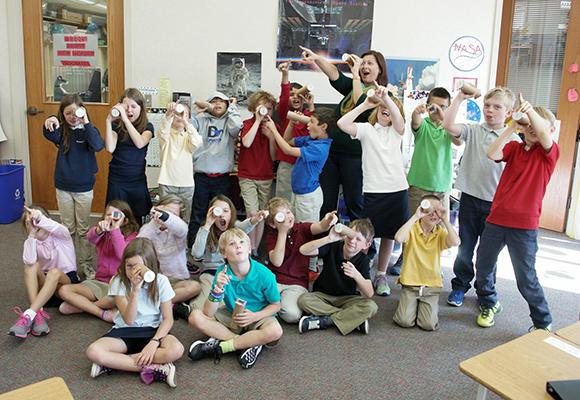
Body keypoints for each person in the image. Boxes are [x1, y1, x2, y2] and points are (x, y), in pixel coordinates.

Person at [473, 96, 560, 331]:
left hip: (523, 226)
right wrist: (513, 125)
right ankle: (489, 303)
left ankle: (543, 323)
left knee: (526, 279)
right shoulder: (515, 147)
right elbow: (492, 153)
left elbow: (542, 133)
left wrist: (530, 112)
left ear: (549, 130)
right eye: (528, 124)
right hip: (496, 220)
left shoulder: (548, 154)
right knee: (483, 268)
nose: (532, 128)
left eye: (537, 124)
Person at [442, 87, 520, 307]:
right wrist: (459, 98)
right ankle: (459, 286)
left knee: (487, 253)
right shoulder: (475, 130)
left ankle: (485, 292)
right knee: (465, 248)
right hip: (469, 198)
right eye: (487, 105)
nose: (490, 111)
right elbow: (448, 126)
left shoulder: (513, 139)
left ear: (508, 113)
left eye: (497, 107)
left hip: (496, 205)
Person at [299, 46, 389, 222]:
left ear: (380, 69)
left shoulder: (382, 94)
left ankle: (360, 246)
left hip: (356, 157)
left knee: (355, 203)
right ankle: (325, 245)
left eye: (370, 63)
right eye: (363, 63)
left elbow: (361, 103)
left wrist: (355, 75)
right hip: (332, 154)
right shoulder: (355, 85)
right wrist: (316, 57)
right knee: (326, 203)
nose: (365, 67)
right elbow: (334, 74)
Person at [337, 83, 409, 297]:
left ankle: (380, 274)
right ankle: (362, 271)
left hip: (397, 190)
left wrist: (387, 98)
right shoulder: (367, 130)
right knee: (368, 235)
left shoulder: (397, 131)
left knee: (390, 235)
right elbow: (342, 123)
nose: (385, 109)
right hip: (373, 191)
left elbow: (397, 116)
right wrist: (366, 104)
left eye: (389, 107)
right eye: (382, 107)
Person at [86, 238, 184, 387]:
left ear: (149, 267)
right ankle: (154, 367)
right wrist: (135, 291)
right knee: (94, 351)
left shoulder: (161, 281)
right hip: (126, 330)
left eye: (138, 267)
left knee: (176, 350)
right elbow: (129, 320)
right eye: (129, 266)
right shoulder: (118, 281)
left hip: (153, 331)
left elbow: (168, 319)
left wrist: (154, 342)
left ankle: (115, 363)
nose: (133, 271)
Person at [188, 228, 283, 369]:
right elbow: (208, 313)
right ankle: (248, 343)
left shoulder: (265, 275)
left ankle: (223, 346)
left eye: (241, 242)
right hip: (232, 315)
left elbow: (276, 305)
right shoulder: (222, 272)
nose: (238, 245)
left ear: (249, 249)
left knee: (275, 331)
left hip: (258, 317)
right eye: (232, 243)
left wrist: (255, 316)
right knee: (195, 316)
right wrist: (217, 288)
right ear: (224, 253)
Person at [43, 94, 105, 280]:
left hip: (84, 189)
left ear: (83, 111)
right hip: (63, 187)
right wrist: (50, 119)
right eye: (67, 113)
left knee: (84, 229)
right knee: (67, 228)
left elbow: (98, 145)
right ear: (62, 114)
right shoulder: (62, 131)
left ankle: (85, 264)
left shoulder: (88, 130)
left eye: (76, 112)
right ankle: (68, 263)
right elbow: (48, 133)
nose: (72, 116)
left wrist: (86, 122)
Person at [58, 200, 139, 322]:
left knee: (119, 298)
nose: (111, 218)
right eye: (108, 214)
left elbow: (122, 254)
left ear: (126, 220)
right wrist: (99, 230)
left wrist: (115, 229)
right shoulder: (103, 232)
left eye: (116, 215)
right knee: (63, 291)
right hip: (99, 282)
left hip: (119, 285)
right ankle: (100, 311)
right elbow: (91, 238)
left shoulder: (132, 235)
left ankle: (86, 306)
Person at [297, 219, 377, 335]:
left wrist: (356, 275)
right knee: (303, 300)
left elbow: (369, 293)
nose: (352, 241)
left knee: (371, 306)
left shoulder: (363, 260)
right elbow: (303, 250)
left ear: (367, 245)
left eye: (358, 239)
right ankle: (351, 318)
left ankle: (325, 321)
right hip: (322, 296)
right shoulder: (333, 247)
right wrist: (328, 239)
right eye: (351, 236)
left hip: (347, 298)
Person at [8, 205, 78, 339]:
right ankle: (37, 312)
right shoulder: (31, 241)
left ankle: (29, 314)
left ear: (47, 220)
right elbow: (29, 262)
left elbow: (54, 226)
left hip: (65, 281)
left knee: (54, 272)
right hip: (47, 285)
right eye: (29, 223)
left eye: (36, 221)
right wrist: (32, 236)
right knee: (31, 266)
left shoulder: (62, 234)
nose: (34, 224)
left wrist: (39, 217)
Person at [392, 196, 461, 331]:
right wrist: (416, 216)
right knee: (404, 321)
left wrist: (445, 219)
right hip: (411, 284)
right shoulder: (412, 229)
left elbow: (456, 242)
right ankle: (408, 303)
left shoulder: (440, 233)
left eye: (436, 211)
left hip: (431, 286)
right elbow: (398, 238)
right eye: (429, 210)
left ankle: (416, 305)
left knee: (428, 325)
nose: (432, 214)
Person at [265, 197, 337, 323]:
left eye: (288, 212)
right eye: (281, 216)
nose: (288, 217)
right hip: (274, 279)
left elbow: (321, 227)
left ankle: (276, 306)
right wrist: (282, 232)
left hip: (296, 282)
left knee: (292, 315)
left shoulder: (302, 228)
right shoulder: (272, 236)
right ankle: (276, 305)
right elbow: (277, 262)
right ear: (272, 224)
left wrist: (328, 221)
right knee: (253, 303)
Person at [189, 195, 266, 312]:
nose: (221, 215)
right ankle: (190, 304)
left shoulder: (235, 228)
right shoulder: (205, 231)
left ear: (232, 213)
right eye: (217, 211)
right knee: (201, 308)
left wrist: (255, 219)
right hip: (211, 274)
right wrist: (208, 225)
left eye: (226, 211)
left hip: (232, 275)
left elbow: (245, 226)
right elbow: (197, 254)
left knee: (230, 305)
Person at [187, 92, 243, 248]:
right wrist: (196, 111)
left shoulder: (229, 120)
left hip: (222, 177)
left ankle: (221, 247)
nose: (218, 103)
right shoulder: (201, 119)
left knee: (222, 215)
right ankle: (194, 245)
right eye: (214, 101)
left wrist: (233, 107)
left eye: (222, 101)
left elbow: (237, 127)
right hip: (201, 176)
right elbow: (187, 129)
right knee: (198, 213)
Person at [265, 108, 337, 224]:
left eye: (312, 122)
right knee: (295, 228)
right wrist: (291, 123)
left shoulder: (320, 148)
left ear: (324, 126)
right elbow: (287, 140)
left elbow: (287, 150)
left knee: (306, 231)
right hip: (298, 191)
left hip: (308, 196)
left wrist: (274, 130)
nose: (308, 125)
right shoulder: (311, 140)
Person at [137, 195, 201, 321]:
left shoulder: (179, 231)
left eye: (174, 215)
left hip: (176, 280)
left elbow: (181, 228)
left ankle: (154, 304)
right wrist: (155, 222)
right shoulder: (150, 228)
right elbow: (140, 244)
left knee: (195, 287)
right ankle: (170, 305)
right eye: (166, 211)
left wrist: (167, 217)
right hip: (155, 280)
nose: (167, 216)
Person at [238, 90, 279, 261]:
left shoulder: (273, 127)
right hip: (247, 175)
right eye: (262, 108)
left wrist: (270, 137)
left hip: (265, 176)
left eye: (269, 109)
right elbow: (246, 142)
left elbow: (274, 156)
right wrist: (257, 121)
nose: (266, 112)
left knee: (261, 215)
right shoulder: (247, 123)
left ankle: (255, 249)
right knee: (251, 213)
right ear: (254, 109)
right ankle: (251, 247)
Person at [105, 88, 154, 225]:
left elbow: (140, 143)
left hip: (136, 180)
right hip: (117, 179)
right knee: (115, 217)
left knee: (136, 219)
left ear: (141, 107)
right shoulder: (116, 125)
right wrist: (108, 121)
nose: (129, 111)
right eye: (126, 107)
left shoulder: (147, 127)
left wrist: (125, 120)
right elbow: (110, 147)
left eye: (134, 106)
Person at [157, 101, 202, 223]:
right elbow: (162, 131)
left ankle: (182, 243)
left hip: (186, 185)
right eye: (176, 114)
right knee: (165, 219)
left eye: (184, 114)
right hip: (167, 182)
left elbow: (197, 142)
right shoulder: (166, 136)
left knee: (184, 219)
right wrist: (168, 114)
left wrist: (186, 122)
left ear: (189, 120)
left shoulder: (189, 137)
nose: (179, 116)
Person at [275, 59, 314, 202]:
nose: (295, 97)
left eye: (299, 95)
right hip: (286, 162)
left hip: (303, 161)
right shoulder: (285, 113)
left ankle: (298, 224)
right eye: (292, 95)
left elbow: (315, 130)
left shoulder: (309, 115)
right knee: (283, 197)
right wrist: (285, 74)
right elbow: (284, 95)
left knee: (301, 198)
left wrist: (311, 105)